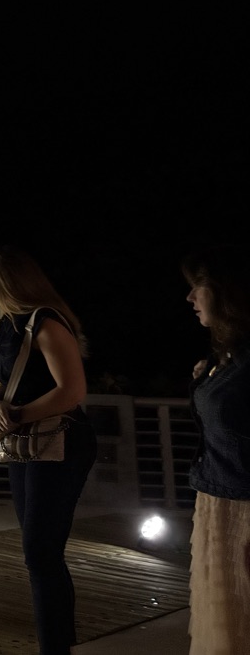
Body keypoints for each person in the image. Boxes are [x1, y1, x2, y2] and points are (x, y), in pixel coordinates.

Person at [0, 245, 95, 655]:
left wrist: (18, 414)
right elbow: (4, 384)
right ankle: (55, 642)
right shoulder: (10, 326)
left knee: (41, 553)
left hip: (59, 442)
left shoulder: (45, 323)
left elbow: (73, 391)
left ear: (5, 282)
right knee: (38, 552)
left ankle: (56, 645)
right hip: (28, 443)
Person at [180, 245, 250, 654]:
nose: (190, 298)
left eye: (198, 287)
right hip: (216, 500)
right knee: (226, 619)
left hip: (243, 506)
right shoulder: (223, 355)